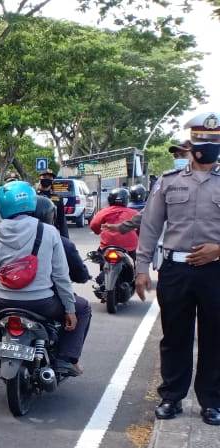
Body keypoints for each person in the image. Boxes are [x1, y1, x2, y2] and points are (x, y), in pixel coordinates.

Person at [136, 112, 220, 425]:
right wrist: (141, 268)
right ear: (192, 143)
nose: (209, 146)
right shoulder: (168, 183)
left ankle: (212, 401)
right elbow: (150, 225)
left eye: (215, 140)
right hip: (176, 271)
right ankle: (171, 397)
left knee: (215, 336)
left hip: (216, 271)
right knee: (174, 337)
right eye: (203, 140)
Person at [0, 181, 90, 377]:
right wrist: (70, 309)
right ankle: (66, 359)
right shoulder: (49, 232)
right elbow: (61, 276)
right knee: (83, 308)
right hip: (43, 303)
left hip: (3, 302)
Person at [34, 196, 91, 284]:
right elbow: (80, 276)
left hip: (9, 294)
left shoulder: (11, 237)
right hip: (47, 293)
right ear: (51, 216)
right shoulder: (61, 242)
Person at [90, 188, 139, 260]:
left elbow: (94, 225)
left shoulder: (104, 211)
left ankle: (103, 269)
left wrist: (98, 231)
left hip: (107, 247)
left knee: (101, 260)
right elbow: (141, 229)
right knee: (134, 264)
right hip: (129, 248)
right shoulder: (134, 213)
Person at [37, 169, 69, 239]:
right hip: (35, 232)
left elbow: (62, 220)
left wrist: (66, 239)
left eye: (49, 177)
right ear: (40, 179)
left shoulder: (57, 198)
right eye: (44, 177)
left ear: (52, 180)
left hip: (51, 233)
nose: (47, 179)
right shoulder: (33, 195)